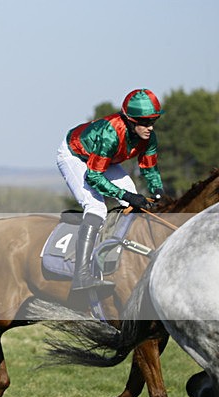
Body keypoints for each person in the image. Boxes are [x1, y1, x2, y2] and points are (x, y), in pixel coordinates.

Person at [56, 88, 165, 295]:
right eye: (145, 122)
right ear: (131, 121)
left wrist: (158, 191)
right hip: (75, 155)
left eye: (153, 121)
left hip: (105, 160)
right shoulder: (110, 133)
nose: (150, 127)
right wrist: (126, 195)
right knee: (96, 207)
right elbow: (94, 177)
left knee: (134, 200)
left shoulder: (148, 137)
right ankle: (81, 275)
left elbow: (149, 167)